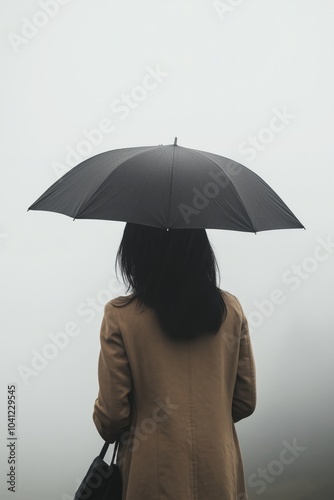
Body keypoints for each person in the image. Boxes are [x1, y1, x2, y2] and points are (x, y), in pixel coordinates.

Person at [93, 223, 256, 500]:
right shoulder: (231, 311)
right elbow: (244, 401)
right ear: (200, 248)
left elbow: (112, 416)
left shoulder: (120, 316)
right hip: (219, 475)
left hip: (150, 479)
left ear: (135, 251)